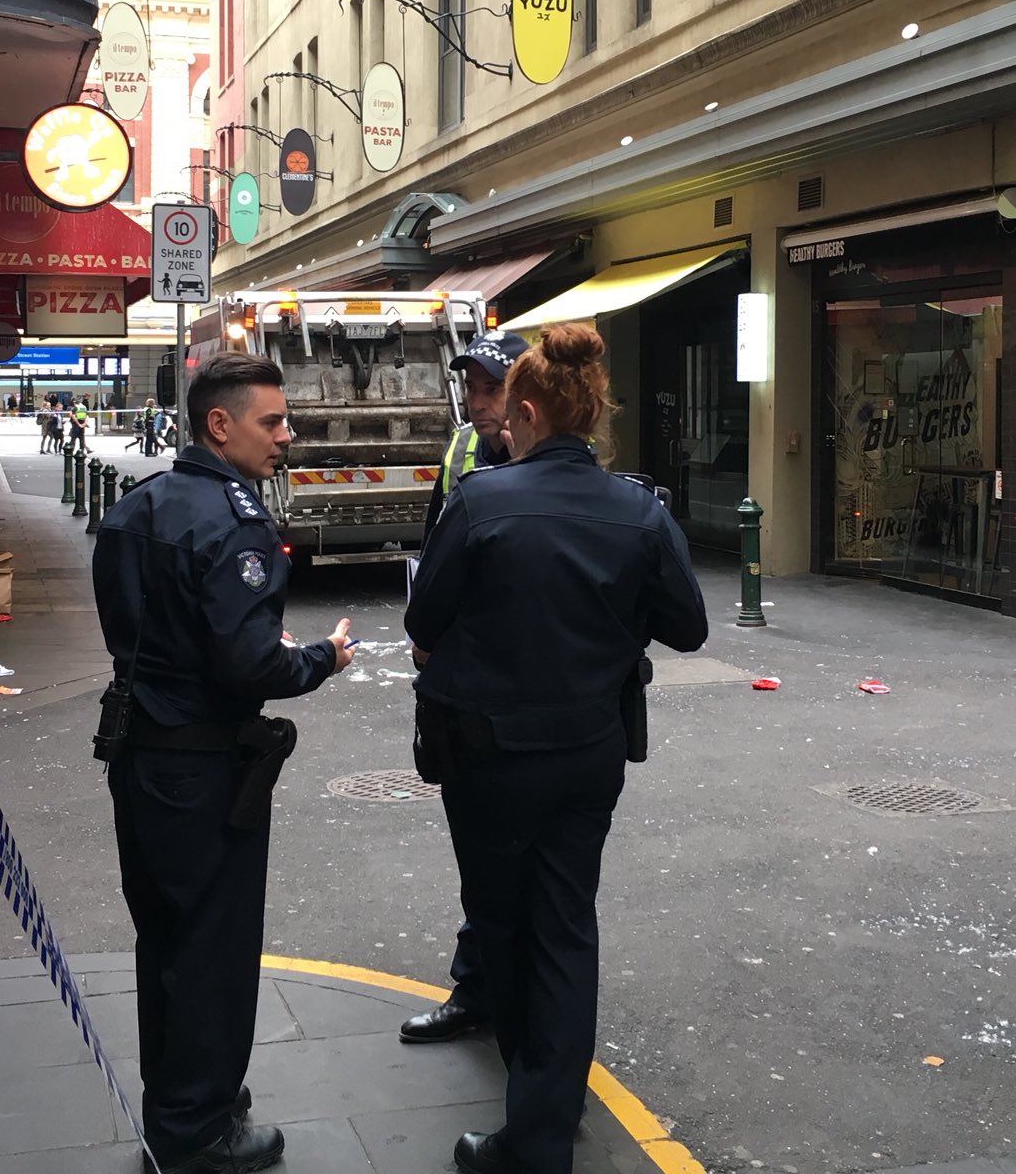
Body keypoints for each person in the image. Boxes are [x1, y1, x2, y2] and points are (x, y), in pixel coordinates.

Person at [406, 324, 708, 1174]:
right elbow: (688, 625)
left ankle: (531, 1115)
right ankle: (549, 1114)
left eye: (509, 419)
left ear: (529, 412)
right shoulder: (638, 510)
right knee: (567, 926)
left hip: (487, 755)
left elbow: (424, 620)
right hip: (588, 751)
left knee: (503, 923)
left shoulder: (482, 501)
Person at [93, 352, 357, 1174]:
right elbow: (252, 665)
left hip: (140, 753)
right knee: (211, 946)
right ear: (220, 424)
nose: (287, 435)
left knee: (166, 939)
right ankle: (198, 1130)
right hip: (203, 767)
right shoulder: (233, 521)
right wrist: (322, 658)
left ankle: (182, 1098)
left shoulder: (138, 508)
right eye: (272, 421)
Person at [397, 327, 529, 1047]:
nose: (479, 402)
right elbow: (431, 558)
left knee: (533, 871)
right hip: (467, 692)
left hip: (534, 697)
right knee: (480, 858)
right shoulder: (461, 452)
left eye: (493, 386)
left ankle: (520, 1008)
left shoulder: (558, 462)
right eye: (473, 386)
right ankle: (479, 989)